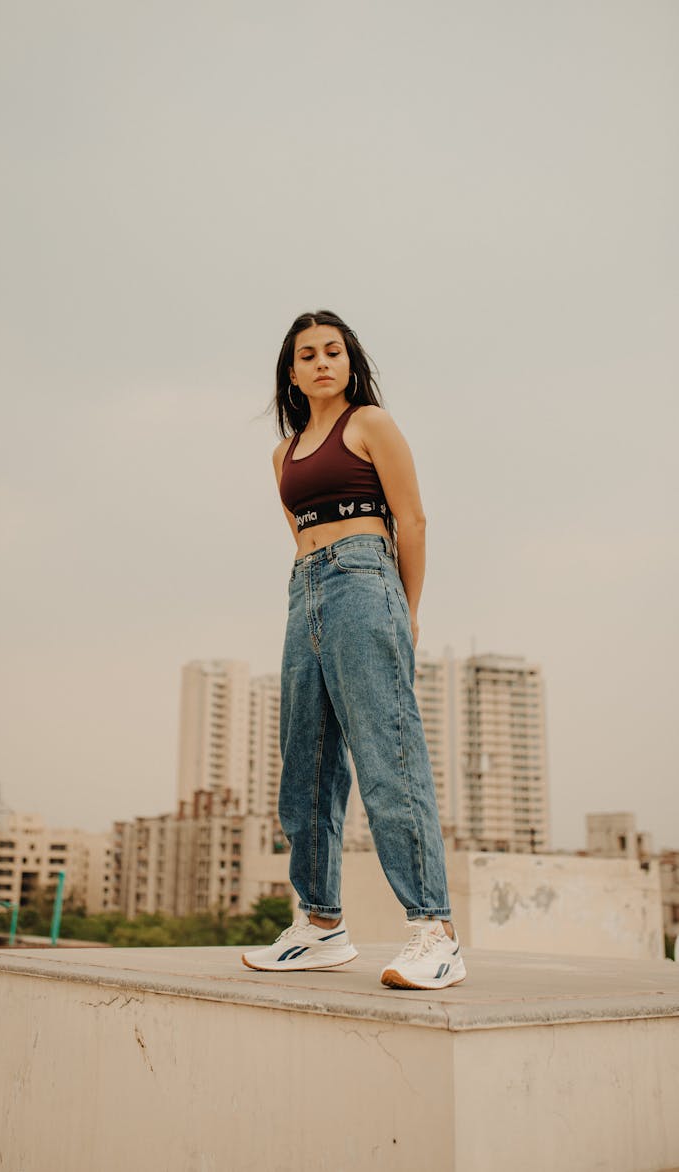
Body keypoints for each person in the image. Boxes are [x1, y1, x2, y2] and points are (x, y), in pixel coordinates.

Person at [242, 310, 466, 991]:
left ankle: (436, 931)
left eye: (332, 351)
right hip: (305, 589)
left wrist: (409, 610)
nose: (321, 363)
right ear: (292, 372)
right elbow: (298, 533)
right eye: (306, 354)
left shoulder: (370, 424)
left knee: (386, 755)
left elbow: (413, 520)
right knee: (304, 765)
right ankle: (319, 925)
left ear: (349, 359)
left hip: (366, 581)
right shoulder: (283, 456)